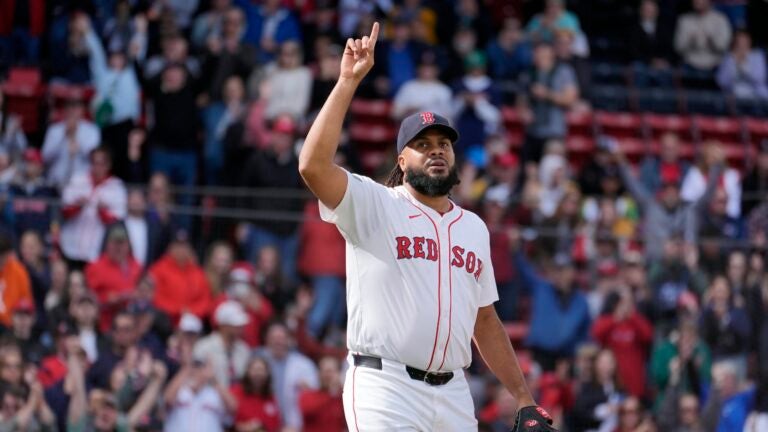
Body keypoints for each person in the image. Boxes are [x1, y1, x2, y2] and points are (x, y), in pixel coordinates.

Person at [298, 22, 554, 431]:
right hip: (385, 384)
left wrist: (523, 397)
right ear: (401, 161)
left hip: (453, 392)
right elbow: (312, 165)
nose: (436, 151)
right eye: (423, 145)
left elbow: (485, 321)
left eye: (443, 144)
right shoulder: (375, 204)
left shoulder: (473, 228)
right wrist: (347, 82)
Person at [59, 147, 127, 265]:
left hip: (96, 251)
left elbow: (116, 224)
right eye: (95, 163)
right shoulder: (77, 180)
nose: (98, 168)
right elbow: (64, 211)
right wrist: (77, 206)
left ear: (109, 165)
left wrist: (102, 211)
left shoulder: (116, 187)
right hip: (69, 246)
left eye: (102, 164)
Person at [40, 98, 100, 190]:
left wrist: (76, 135)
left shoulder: (92, 130)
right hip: (56, 183)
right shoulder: (54, 130)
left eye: (76, 107)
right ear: (64, 110)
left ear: (82, 110)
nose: (72, 111)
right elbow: (45, 158)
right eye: (69, 107)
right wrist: (63, 136)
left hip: (82, 184)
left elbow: (94, 158)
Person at [192, 300, 250, 387]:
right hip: (211, 398)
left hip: (237, 398)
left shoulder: (244, 349)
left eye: (241, 325)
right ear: (223, 326)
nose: (240, 328)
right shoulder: (203, 347)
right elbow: (195, 379)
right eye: (235, 325)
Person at [674, 0, 732, 72]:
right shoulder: (685, 20)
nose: (698, 2)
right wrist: (690, 41)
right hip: (690, 65)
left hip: (714, 66)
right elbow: (678, 47)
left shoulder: (720, 19)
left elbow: (724, 47)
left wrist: (711, 40)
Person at [229, 356, 281, 432]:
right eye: (255, 370)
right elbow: (227, 422)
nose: (258, 374)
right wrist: (244, 427)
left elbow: (276, 425)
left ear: (267, 374)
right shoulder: (235, 392)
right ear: (247, 372)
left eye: (261, 370)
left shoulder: (271, 397)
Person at [0, 231, 33, 327]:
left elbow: (26, 302)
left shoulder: (19, 271)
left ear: (8, 255)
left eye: (3, 257)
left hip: (12, 325)